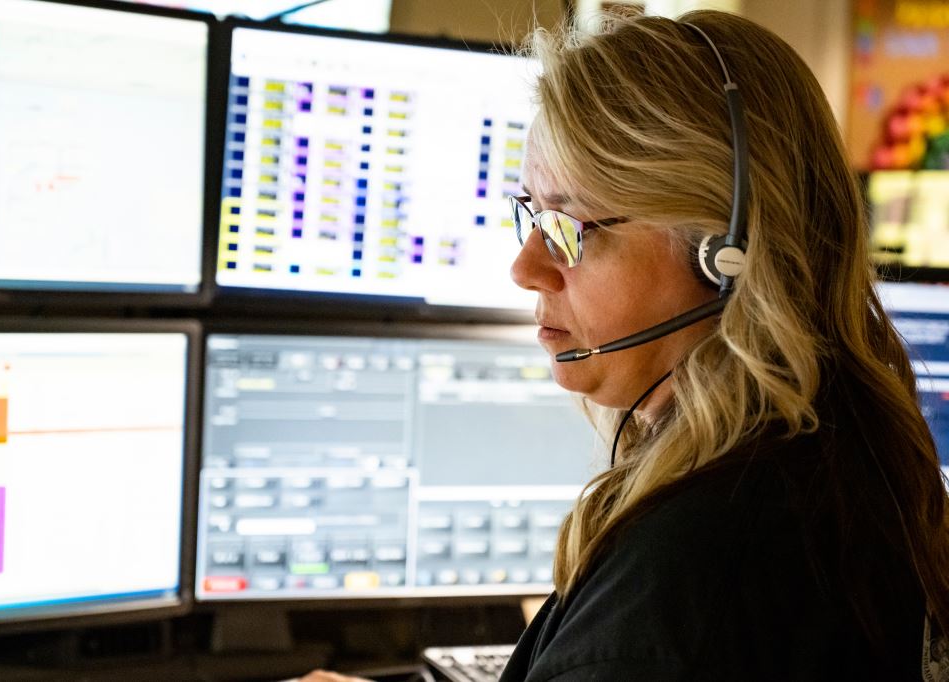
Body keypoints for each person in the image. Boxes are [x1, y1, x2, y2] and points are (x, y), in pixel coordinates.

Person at [300, 8, 949, 681]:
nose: (526, 266)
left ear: (721, 253)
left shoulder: (689, 576)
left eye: (569, 226)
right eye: (531, 213)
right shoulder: (841, 459)